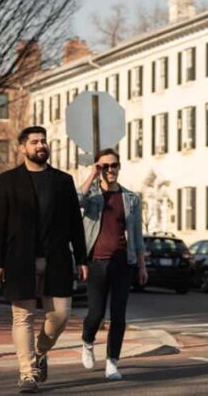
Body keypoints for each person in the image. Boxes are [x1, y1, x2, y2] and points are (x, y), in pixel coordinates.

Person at [0, 126, 88, 394]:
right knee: (23, 318)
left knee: (61, 315)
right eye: (34, 142)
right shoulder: (7, 181)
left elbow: (75, 224)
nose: (41, 145)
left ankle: (41, 351)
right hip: (20, 260)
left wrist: (82, 258)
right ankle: (27, 373)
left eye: (43, 141)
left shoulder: (63, 181)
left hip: (56, 260)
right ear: (23, 148)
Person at [77, 148, 148, 381]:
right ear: (99, 168)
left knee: (119, 316)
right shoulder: (94, 196)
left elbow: (136, 235)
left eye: (113, 165)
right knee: (95, 314)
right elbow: (77, 199)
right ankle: (87, 342)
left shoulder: (130, 199)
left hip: (122, 262)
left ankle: (112, 362)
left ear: (119, 167)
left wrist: (141, 265)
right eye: (104, 166)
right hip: (97, 262)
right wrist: (92, 174)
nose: (110, 170)